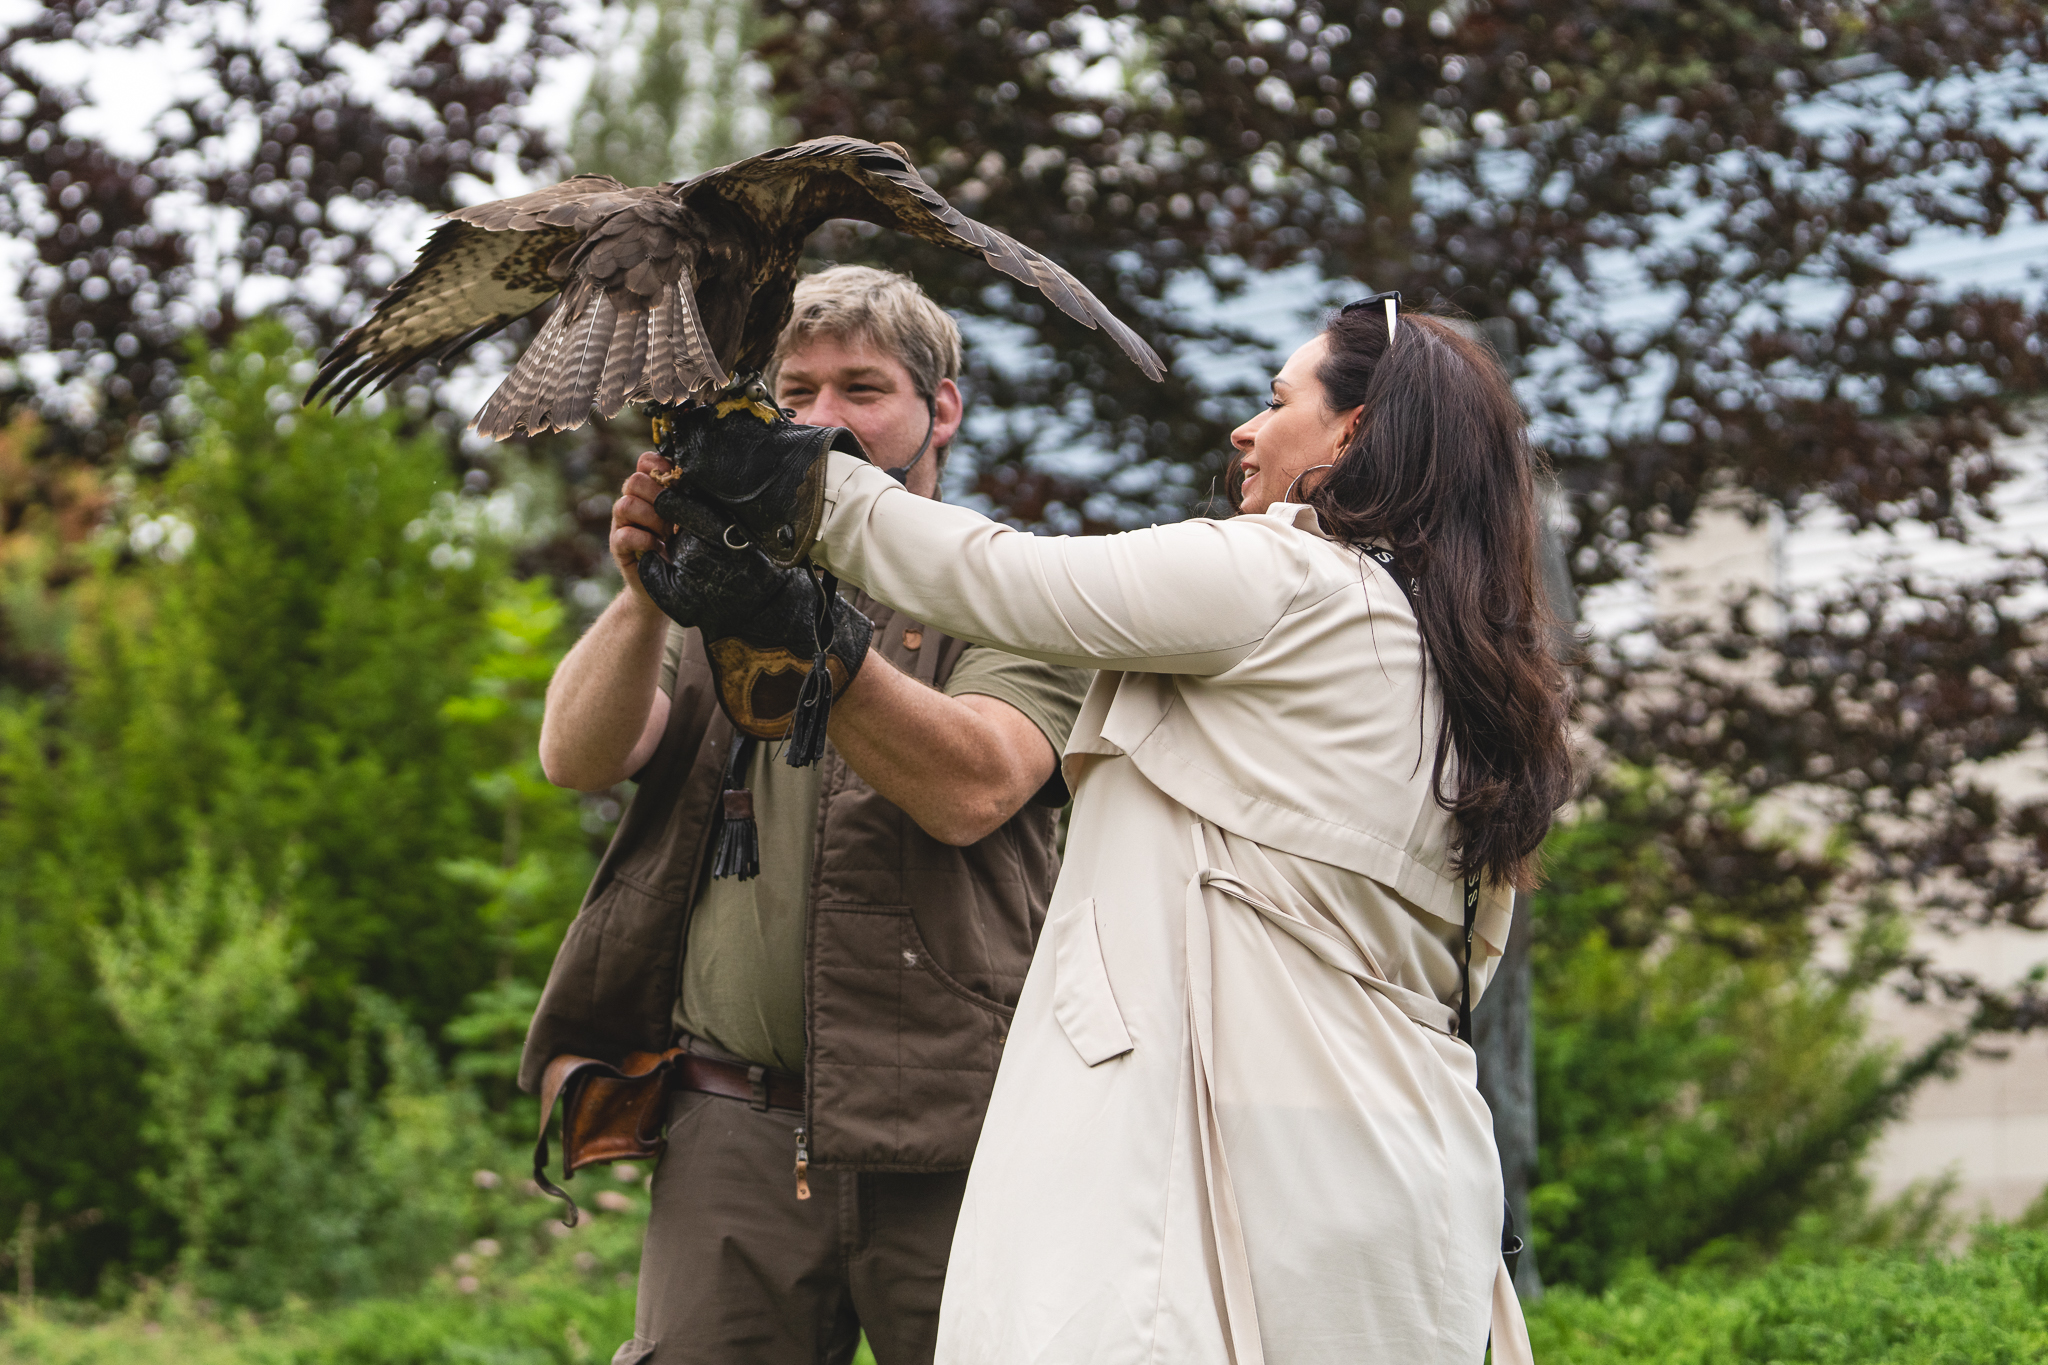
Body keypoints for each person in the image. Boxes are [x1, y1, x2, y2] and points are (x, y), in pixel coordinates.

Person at [658, 297, 1575, 1364]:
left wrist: (789, 471)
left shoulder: (1286, 579)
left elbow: (1001, 577)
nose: (1244, 430)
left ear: (1354, 430)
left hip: (1236, 1161)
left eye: (1277, 401)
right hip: (1393, 1170)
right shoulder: (1462, 666)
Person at [521, 266, 1094, 1365]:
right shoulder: (719, 578)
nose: (821, 419)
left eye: (862, 389)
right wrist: (646, 591)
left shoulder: (1014, 587)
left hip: (963, 1133)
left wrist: (809, 633)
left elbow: (973, 790)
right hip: (730, 1125)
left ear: (942, 410)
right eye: (794, 392)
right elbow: (577, 756)